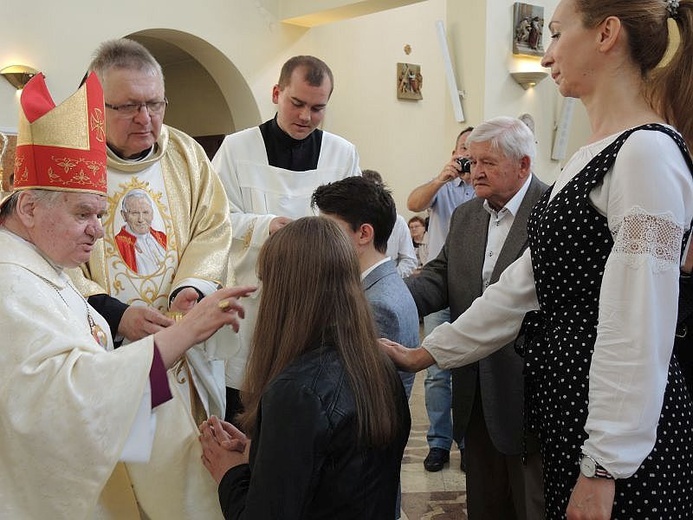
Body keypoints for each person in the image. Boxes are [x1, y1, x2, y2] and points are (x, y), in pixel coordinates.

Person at [382, 0, 693, 517]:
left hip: (619, 442)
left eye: (554, 34)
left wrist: (604, 465)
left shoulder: (647, 153)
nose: (546, 56)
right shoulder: (590, 154)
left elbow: (639, 324)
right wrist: (427, 352)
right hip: (571, 408)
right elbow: (518, 286)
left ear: (606, 34)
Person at [0, 72, 254, 519]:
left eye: (101, 213)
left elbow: (106, 387)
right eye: (84, 214)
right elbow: (71, 399)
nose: (100, 232)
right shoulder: (10, 284)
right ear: (29, 208)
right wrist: (184, 335)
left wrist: (185, 439)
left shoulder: (44, 267)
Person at [69, 38, 236, 518]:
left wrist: (192, 290)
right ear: (96, 107)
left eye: (155, 103)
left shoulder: (185, 153)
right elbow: (47, 258)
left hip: (182, 358)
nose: (146, 118)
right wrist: (117, 316)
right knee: (123, 481)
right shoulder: (69, 162)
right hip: (108, 355)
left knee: (181, 477)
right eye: (129, 106)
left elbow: (214, 226)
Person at [198, 217, 411, 519]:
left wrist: (228, 473)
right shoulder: (376, 362)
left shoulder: (297, 392)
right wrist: (259, 453)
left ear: (285, 293)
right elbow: (338, 470)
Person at [406, 116, 547, 519]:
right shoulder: (468, 215)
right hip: (473, 388)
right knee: (484, 504)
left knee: (530, 504)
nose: (475, 172)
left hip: (528, 393)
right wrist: (391, 298)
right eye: (472, 162)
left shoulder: (550, 210)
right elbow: (439, 276)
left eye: (488, 162)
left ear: (523, 165)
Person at [211, 55, 361, 423]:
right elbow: (213, 223)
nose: (306, 117)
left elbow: (355, 223)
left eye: (317, 108)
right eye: (297, 103)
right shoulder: (235, 148)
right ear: (277, 93)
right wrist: (265, 228)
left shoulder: (342, 153)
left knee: (303, 413)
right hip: (253, 303)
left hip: (317, 308)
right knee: (247, 416)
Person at [311, 176, 420, 398]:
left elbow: (360, 396)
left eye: (330, 231)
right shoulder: (380, 282)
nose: (322, 240)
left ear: (364, 234)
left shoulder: (378, 305)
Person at [406, 126, 474, 472]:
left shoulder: (486, 188)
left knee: (469, 370)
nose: (466, 158)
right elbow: (413, 204)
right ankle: (438, 443)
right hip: (439, 288)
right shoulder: (444, 189)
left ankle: (466, 442)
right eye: (462, 150)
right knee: (435, 371)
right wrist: (441, 178)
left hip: (476, 289)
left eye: (473, 152)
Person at [362, 169, 417, 277]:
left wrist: (388, 278)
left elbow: (409, 261)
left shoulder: (398, 222)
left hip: (389, 281)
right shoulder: (350, 222)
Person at [115, 189, 167, 274]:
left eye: (146, 212)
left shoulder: (162, 237)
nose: (141, 219)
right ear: (124, 215)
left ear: (152, 214)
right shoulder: (117, 245)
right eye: (135, 213)